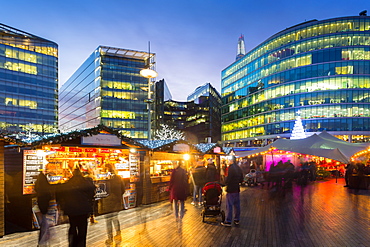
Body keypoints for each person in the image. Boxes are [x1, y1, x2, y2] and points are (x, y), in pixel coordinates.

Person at [59, 169, 95, 247]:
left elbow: (61, 194)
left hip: (71, 209)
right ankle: (81, 244)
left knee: (73, 225)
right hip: (83, 209)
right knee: (82, 228)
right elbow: (92, 193)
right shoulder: (86, 183)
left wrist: (63, 205)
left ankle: (73, 244)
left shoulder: (68, 184)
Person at [104, 170, 125, 246]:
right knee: (115, 218)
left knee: (108, 220)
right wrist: (118, 196)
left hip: (107, 202)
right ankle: (118, 234)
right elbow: (123, 189)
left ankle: (110, 237)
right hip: (116, 200)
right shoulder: (118, 178)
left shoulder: (104, 179)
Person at [221, 156, 243, 227]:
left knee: (229, 205)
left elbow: (228, 179)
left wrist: (224, 183)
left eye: (229, 160)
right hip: (236, 188)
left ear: (231, 160)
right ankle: (237, 219)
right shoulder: (239, 168)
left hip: (231, 189)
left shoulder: (230, 168)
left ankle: (228, 221)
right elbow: (241, 179)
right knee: (237, 205)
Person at [35, 170, 53, 247]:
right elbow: (49, 196)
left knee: (43, 224)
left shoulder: (38, 186)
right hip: (45, 207)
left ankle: (42, 241)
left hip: (39, 206)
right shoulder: (46, 188)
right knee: (45, 224)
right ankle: (44, 240)